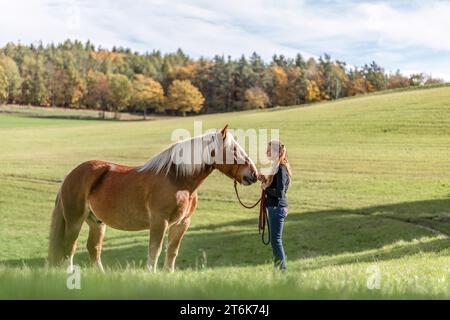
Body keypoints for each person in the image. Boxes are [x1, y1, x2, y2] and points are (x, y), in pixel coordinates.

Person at [258, 140, 292, 271]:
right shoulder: (276, 167)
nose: (267, 152)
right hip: (274, 208)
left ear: (276, 152)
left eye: (269, 150)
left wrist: (265, 188)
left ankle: (282, 271)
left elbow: (279, 192)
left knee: (276, 241)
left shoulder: (281, 168)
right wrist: (265, 181)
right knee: (275, 242)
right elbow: (275, 186)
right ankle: (278, 269)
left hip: (277, 208)